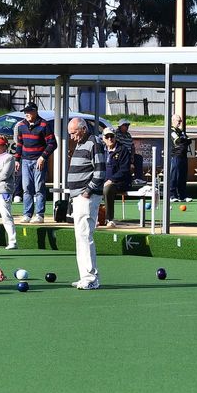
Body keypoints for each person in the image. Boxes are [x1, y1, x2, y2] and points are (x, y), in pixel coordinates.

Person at [67, 117, 107, 290]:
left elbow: (100, 172)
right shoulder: (80, 142)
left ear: (83, 129)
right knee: (80, 237)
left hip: (87, 197)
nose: (72, 137)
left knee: (85, 236)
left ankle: (91, 278)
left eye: (74, 133)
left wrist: (87, 192)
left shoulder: (94, 142)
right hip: (78, 196)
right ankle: (85, 276)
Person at [14, 102, 57, 224]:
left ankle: (39, 214)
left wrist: (43, 157)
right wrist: (17, 159)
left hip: (39, 161)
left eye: (29, 111)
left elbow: (52, 143)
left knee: (39, 188)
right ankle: (27, 214)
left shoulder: (44, 125)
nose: (26, 114)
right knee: (26, 187)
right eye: (25, 112)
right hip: (25, 160)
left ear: (35, 111)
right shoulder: (21, 125)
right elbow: (19, 144)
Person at [102, 127, 132, 227]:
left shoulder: (123, 150)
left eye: (112, 136)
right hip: (102, 181)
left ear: (115, 137)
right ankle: (94, 217)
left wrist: (111, 180)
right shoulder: (101, 150)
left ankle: (109, 219)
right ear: (103, 138)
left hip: (119, 183)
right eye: (107, 136)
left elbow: (124, 170)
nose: (110, 139)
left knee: (107, 189)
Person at [169, 114, 192, 202]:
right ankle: (172, 195)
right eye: (178, 121)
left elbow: (189, 140)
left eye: (180, 121)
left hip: (183, 155)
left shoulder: (181, 131)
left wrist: (184, 140)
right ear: (173, 120)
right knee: (174, 175)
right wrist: (184, 140)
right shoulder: (171, 131)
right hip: (175, 155)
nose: (179, 123)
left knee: (183, 176)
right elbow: (178, 141)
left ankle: (182, 195)